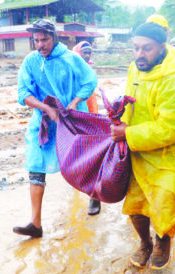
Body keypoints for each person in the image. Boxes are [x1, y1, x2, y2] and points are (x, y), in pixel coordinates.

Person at [111, 22, 175, 270]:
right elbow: (130, 103)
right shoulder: (135, 69)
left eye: (147, 49)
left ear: (162, 47)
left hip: (171, 155)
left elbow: (170, 129)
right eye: (136, 48)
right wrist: (119, 118)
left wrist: (127, 134)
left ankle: (163, 242)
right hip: (139, 150)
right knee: (136, 205)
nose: (140, 54)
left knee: (163, 205)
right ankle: (145, 243)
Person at [13, 19, 97, 238]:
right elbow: (23, 93)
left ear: (54, 37)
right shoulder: (31, 61)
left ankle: (94, 193)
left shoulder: (71, 59)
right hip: (44, 122)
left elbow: (89, 81)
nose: (40, 44)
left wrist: (73, 102)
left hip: (71, 118)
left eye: (45, 39)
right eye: (36, 40)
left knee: (80, 161)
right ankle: (35, 224)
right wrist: (45, 109)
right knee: (36, 164)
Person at [72, 40, 101, 215]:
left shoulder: (90, 68)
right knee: (78, 157)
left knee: (92, 157)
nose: (87, 54)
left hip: (92, 114)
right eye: (84, 51)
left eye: (89, 51)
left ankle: (94, 197)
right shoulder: (71, 67)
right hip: (77, 114)